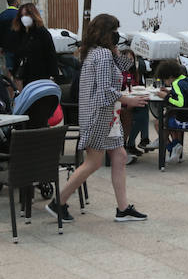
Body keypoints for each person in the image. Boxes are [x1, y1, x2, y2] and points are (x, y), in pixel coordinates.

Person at [48, 14, 150, 223]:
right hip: (100, 114)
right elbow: (105, 90)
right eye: (115, 32)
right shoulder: (101, 55)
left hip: (105, 114)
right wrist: (128, 100)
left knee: (120, 156)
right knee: (93, 162)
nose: (117, 35)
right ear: (107, 33)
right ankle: (58, 202)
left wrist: (115, 49)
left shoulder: (97, 52)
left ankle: (123, 209)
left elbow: (123, 66)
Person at [12, 3, 58, 85]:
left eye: (26, 15)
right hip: (27, 76)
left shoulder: (42, 32)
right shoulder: (22, 34)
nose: (24, 18)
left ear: (33, 15)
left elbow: (51, 54)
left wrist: (53, 75)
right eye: (22, 16)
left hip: (42, 75)